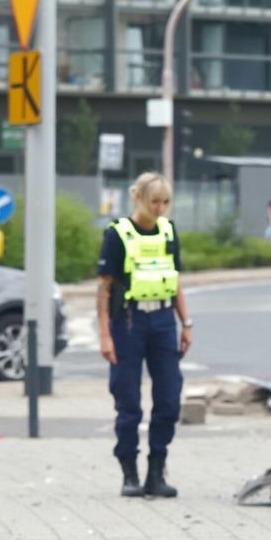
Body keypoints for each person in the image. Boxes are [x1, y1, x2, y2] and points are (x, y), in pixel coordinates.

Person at [95, 172, 192, 498]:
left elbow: (175, 280)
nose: (161, 208)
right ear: (138, 198)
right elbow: (104, 288)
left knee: (168, 398)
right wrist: (105, 335)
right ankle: (129, 475)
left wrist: (186, 323)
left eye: (166, 202)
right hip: (129, 323)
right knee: (128, 401)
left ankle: (156, 473)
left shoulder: (168, 231)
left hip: (164, 320)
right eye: (155, 202)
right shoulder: (117, 235)